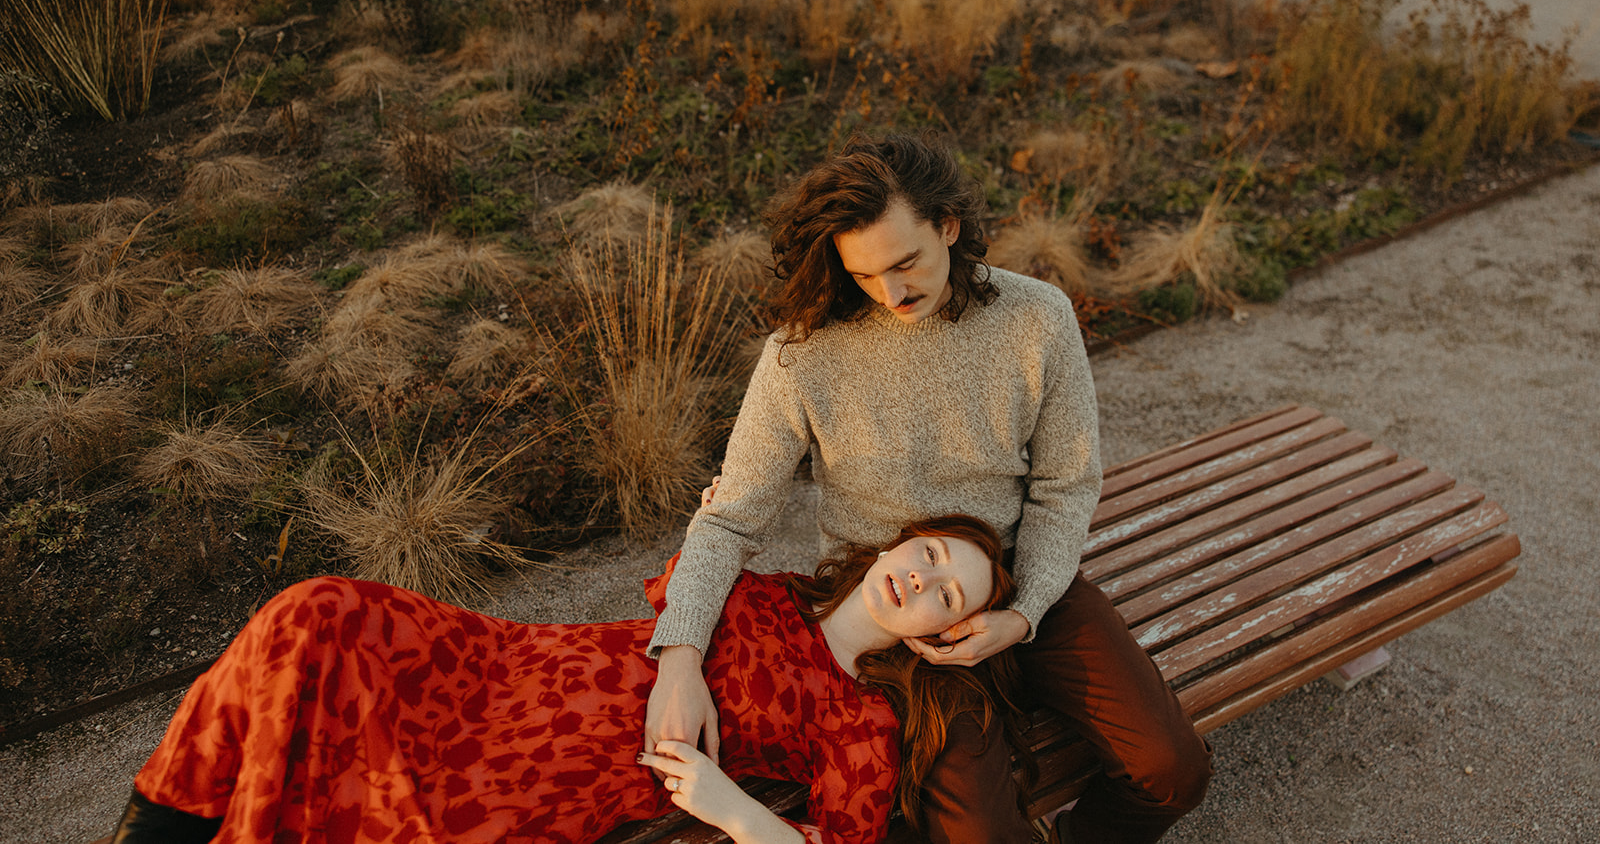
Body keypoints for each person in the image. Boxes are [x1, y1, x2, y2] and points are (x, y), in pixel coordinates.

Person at [645, 134, 1212, 844]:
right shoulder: (803, 355)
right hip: (897, 619)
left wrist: (1026, 610)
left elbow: (1066, 489)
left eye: (906, 262)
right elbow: (728, 521)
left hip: (1021, 575)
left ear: (947, 224)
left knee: (1173, 769)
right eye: (865, 274)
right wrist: (679, 658)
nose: (892, 293)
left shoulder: (1037, 317)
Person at [107, 515, 1026, 844]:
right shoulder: (781, 589)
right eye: (933, 551)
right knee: (316, 614)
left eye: (948, 594)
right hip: (507, 659)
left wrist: (725, 803)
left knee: (400, 806)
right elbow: (685, 583)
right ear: (904, 537)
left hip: (566, 765)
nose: (924, 576)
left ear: (949, 634)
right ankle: (157, 826)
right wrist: (686, 649)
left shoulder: (862, 720)